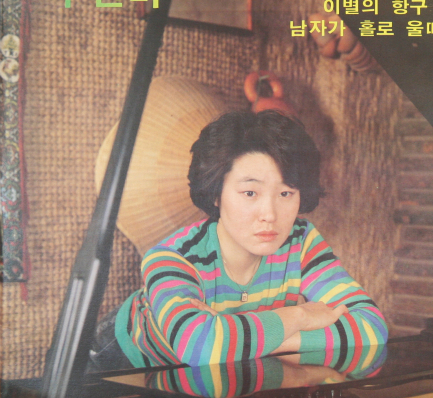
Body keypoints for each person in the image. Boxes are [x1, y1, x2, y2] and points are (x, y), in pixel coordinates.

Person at [114, 110, 388, 368]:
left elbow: (372, 329)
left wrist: (241, 339)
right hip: (126, 364)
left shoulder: (300, 242)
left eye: (285, 194)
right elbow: (202, 348)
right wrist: (300, 316)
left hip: (229, 374)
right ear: (216, 193)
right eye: (250, 193)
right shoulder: (173, 257)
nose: (270, 215)